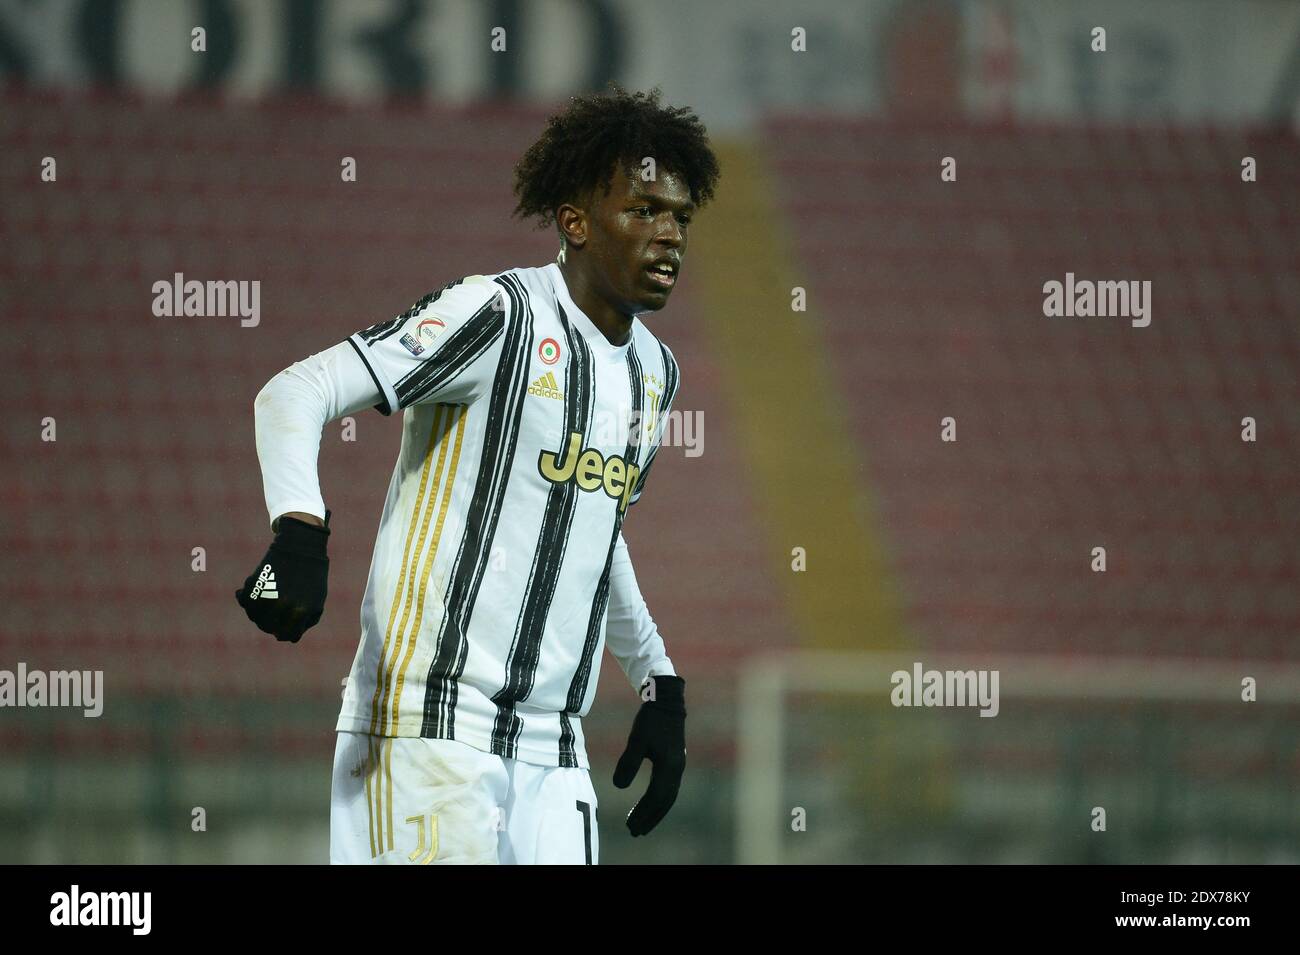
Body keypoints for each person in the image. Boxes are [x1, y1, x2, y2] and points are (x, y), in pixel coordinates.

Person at [234, 85, 721, 864]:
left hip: (555, 749)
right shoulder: (497, 316)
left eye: (680, 217)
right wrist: (299, 527)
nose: (668, 236)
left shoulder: (655, 374)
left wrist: (659, 679)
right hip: (431, 730)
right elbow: (296, 390)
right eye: (642, 210)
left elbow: (590, 525)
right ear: (575, 220)